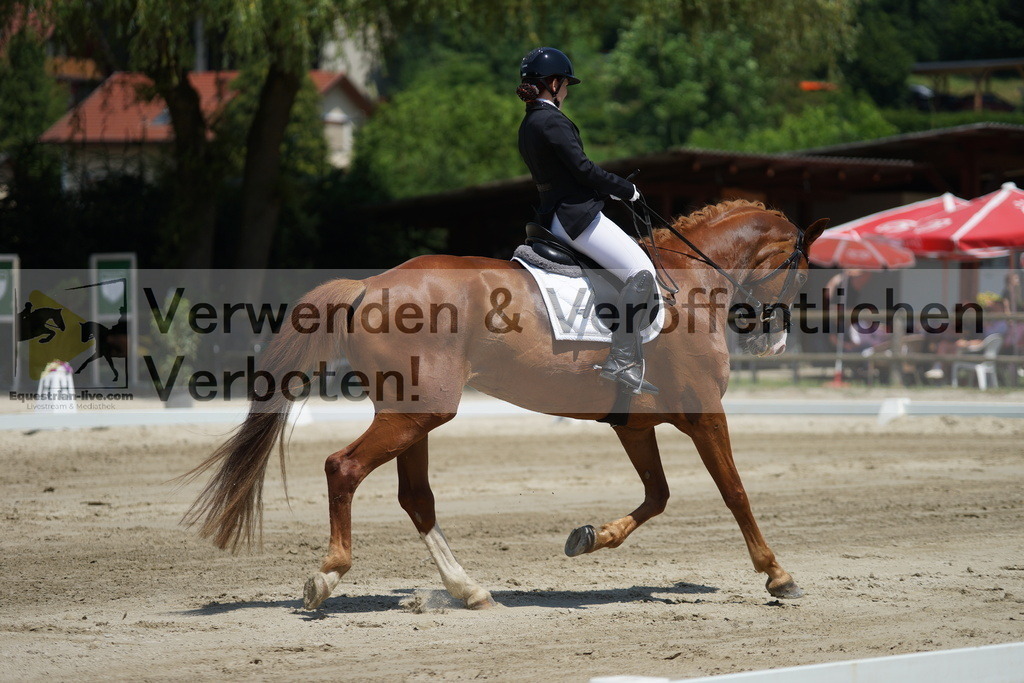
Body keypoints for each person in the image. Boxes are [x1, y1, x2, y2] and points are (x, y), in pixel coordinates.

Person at [516, 46, 658, 395]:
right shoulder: (551, 120)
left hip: (553, 216)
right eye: (564, 84)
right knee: (642, 273)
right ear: (552, 83)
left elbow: (569, 173)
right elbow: (583, 168)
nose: (566, 91)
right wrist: (626, 189)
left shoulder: (530, 122)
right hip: (576, 216)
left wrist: (607, 189)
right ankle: (622, 360)